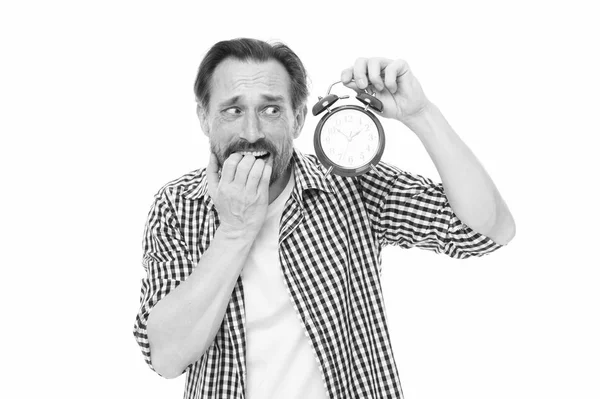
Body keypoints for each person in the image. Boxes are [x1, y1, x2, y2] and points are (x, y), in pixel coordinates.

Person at [133, 38, 516, 399]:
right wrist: (235, 231)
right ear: (204, 118)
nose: (252, 132)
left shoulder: (351, 184)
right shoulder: (176, 205)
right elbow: (166, 357)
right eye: (233, 110)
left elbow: (487, 229)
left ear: (298, 119)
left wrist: (420, 114)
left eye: (271, 109)